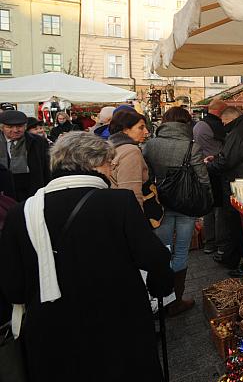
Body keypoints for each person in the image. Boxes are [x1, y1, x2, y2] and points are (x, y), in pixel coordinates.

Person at [0, 132, 174, 381]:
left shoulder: (21, 212)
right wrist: (161, 285)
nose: (112, 169)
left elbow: (13, 287)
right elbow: (153, 256)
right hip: (118, 322)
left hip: (52, 331)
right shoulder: (118, 202)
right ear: (91, 164)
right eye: (109, 163)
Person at [143, 106, 212, 316]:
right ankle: (177, 300)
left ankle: (162, 297)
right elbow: (202, 178)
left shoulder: (150, 145)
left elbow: (147, 176)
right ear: (185, 123)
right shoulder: (191, 146)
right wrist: (206, 200)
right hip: (187, 203)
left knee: (164, 250)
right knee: (181, 250)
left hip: (160, 203)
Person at [207, 106, 243, 277]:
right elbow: (230, 156)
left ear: (231, 119)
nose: (223, 126)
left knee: (240, 228)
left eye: (224, 122)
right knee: (239, 227)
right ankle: (234, 259)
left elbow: (227, 161)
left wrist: (209, 166)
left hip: (242, 187)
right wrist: (217, 158)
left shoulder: (239, 133)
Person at [194, 99, 228, 257]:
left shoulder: (199, 124)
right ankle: (221, 244)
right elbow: (227, 143)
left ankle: (209, 243)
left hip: (204, 167)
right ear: (220, 111)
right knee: (219, 209)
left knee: (209, 207)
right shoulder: (215, 125)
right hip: (216, 169)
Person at [0, 110, 50, 202]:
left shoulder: (38, 142)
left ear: (25, 126)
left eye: (19, 126)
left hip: (31, 193)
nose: (15, 130)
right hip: (3, 194)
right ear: (2, 127)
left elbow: (46, 169)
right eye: (10, 127)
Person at [107, 109, 150, 208]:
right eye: (141, 128)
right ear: (125, 130)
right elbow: (131, 192)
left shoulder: (111, 147)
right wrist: (135, 220)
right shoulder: (131, 151)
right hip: (126, 210)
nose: (146, 132)